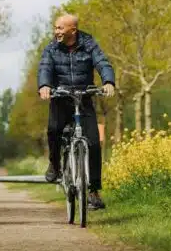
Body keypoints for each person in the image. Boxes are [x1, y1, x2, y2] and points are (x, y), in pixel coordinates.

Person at [37, 13, 115, 210]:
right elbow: (45, 67)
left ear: (73, 30)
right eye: (55, 28)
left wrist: (108, 81)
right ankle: (55, 165)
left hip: (83, 98)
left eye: (60, 28)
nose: (56, 32)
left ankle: (94, 191)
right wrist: (45, 85)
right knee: (53, 131)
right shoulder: (52, 48)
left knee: (94, 144)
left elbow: (102, 62)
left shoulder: (89, 44)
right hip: (60, 98)